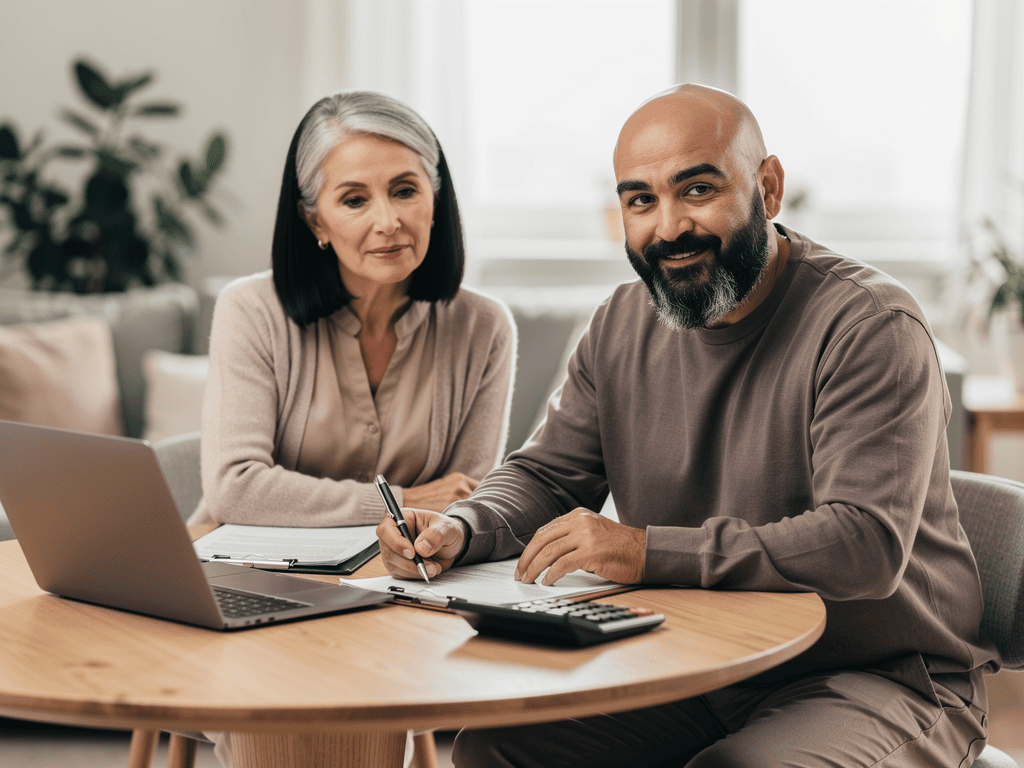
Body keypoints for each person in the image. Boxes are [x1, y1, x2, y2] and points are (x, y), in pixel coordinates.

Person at [378, 84, 1000, 766]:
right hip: (700, 662)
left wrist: (644, 552)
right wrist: (462, 526)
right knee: (492, 752)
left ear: (768, 188)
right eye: (640, 200)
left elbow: (864, 545)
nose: (668, 227)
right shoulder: (618, 323)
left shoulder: (868, 326)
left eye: (697, 190)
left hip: (881, 679)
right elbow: (549, 474)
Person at [190, 91, 516, 531]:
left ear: (434, 200)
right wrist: (402, 502)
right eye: (354, 200)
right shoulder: (251, 310)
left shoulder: (484, 326)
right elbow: (235, 490)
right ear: (315, 221)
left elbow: (463, 502)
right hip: (246, 569)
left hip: (398, 577)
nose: (387, 221)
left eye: (405, 191)